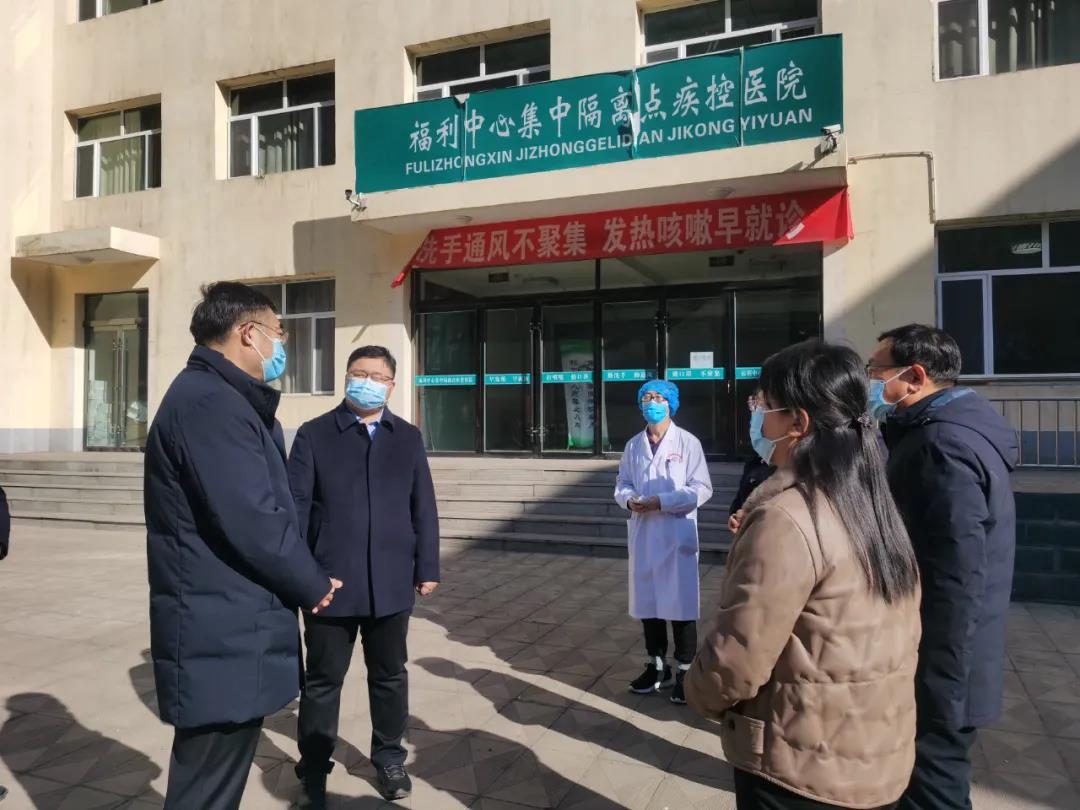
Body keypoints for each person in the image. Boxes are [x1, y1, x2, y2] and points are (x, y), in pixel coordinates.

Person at [685, 340, 922, 810]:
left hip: (800, 763)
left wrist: (699, 692)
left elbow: (738, 655)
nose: (757, 416)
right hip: (874, 750)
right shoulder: (870, 500)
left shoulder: (788, 518)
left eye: (764, 404)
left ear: (798, 423)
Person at [145, 282, 341, 810]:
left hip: (228, 625)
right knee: (207, 790)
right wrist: (311, 582)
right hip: (220, 630)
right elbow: (253, 518)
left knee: (213, 784)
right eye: (280, 333)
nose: (283, 345)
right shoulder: (211, 404)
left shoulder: (217, 397)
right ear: (248, 334)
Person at [868, 324, 1018, 810]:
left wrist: (941, 682)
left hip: (942, 659)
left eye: (876, 371)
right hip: (943, 652)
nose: (871, 381)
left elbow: (957, 573)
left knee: (933, 789)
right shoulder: (942, 431)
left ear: (914, 376)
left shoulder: (941, 445)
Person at [288, 346, 440, 806]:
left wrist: (427, 566)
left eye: (377, 376)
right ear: (346, 378)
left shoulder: (407, 437)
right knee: (322, 680)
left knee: (390, 676)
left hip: (391, 583)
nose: (367, 382)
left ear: (391, 386)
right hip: (329, 585)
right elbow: (295, 510)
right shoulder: (314, 434)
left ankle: (390, 758)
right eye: (359, 373)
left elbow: (423, 506)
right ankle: (314, 766)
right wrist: (303, 576)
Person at [614, 379, 713, 705]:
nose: (652, 403)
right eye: (647, 397)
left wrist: (664, 501)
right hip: (644, 534)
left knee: (681, 605)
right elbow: (622, 483)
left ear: (671, 403)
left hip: (675, 533)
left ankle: (685, 670)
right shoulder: (633, 445)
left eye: (659, 397)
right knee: (650, 603)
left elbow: (702, 488)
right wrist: (629, 500)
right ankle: (657, 666)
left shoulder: (687, 442)